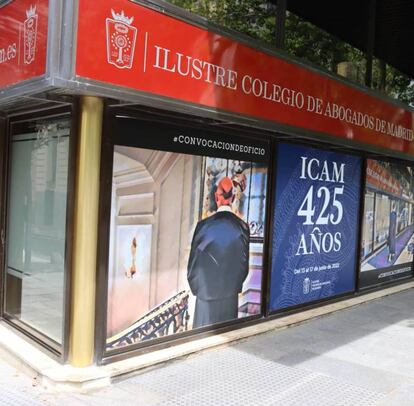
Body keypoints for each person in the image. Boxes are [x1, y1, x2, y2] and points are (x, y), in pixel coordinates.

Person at [187, 176, 250, 329]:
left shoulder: (203, 226)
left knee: (202, 340)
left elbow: (193, 265)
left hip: (205, 299)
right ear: (233, 198)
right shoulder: (242, 227)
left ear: (216, 197)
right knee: (226, 336)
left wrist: (198, 290)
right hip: (230, 299)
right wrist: (234, 289)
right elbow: (243, 266)